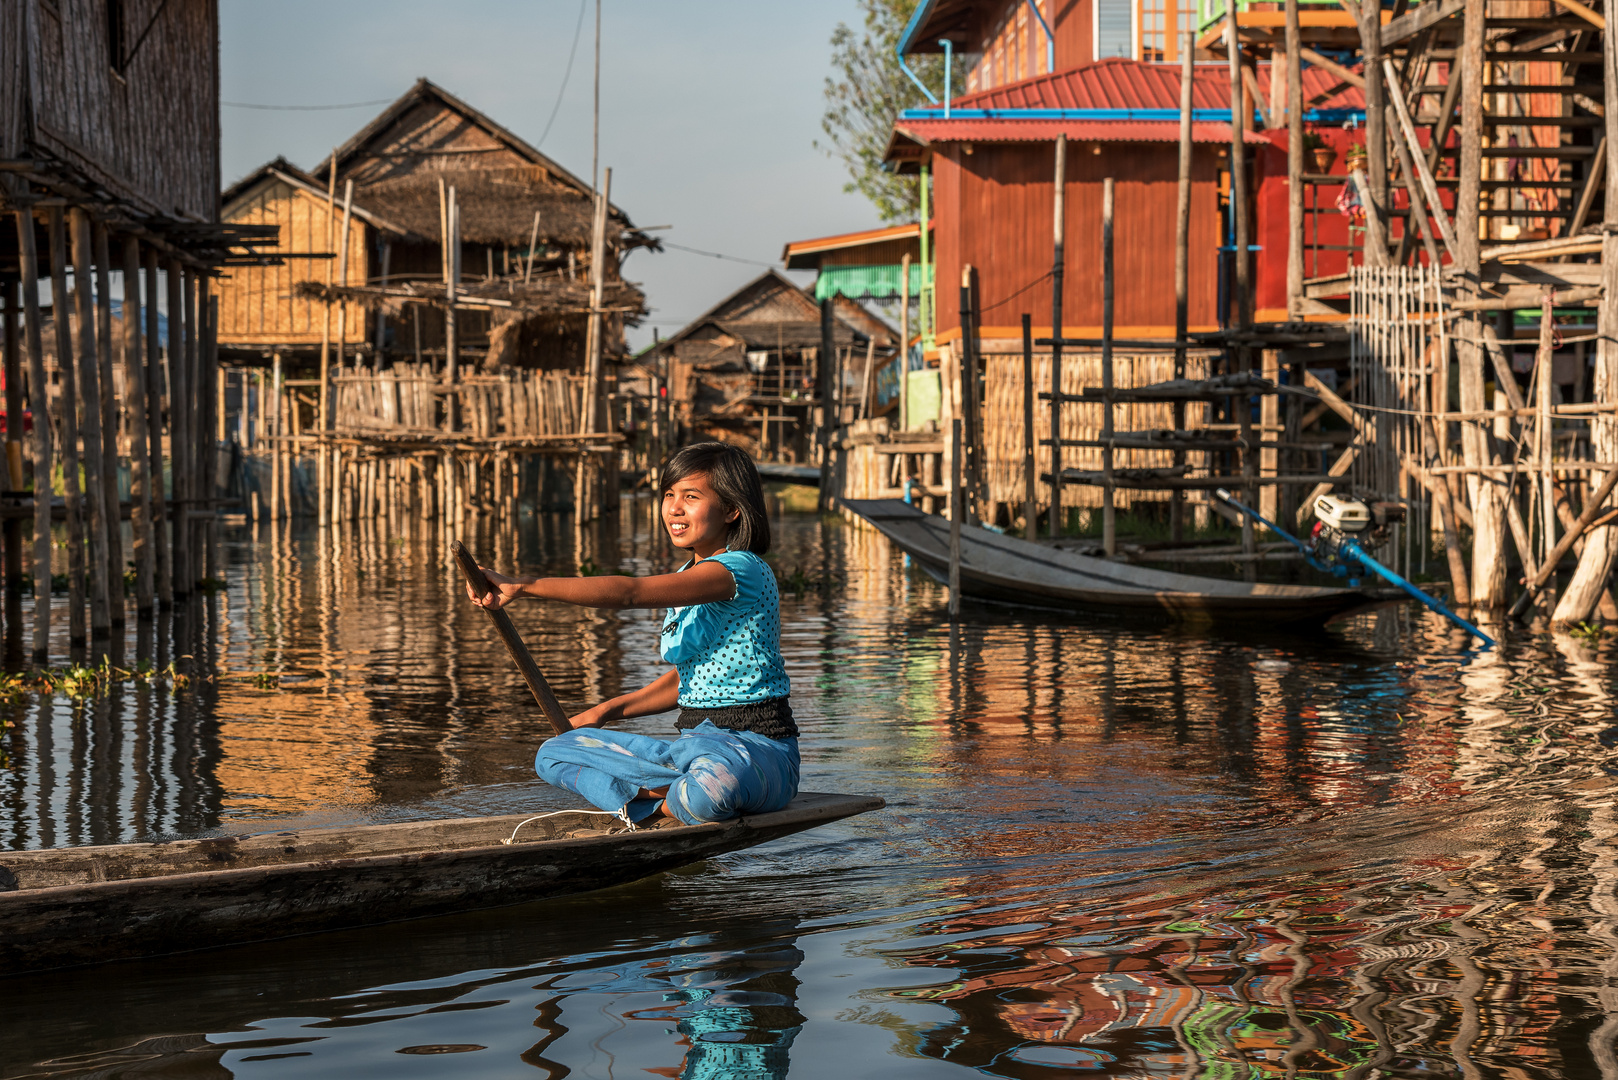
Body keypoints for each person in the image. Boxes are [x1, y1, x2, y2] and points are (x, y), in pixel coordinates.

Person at [467, 442, 797, 829]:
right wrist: (604, 712)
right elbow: (687, 680)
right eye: (669, 494)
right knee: (553, 755)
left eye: (691, 497)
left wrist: (525, 586)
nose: (674, 508)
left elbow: (630, 593)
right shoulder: (684, 578)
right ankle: (671, 796)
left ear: (730, 509)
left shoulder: (741, 570)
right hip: (694, 749)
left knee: (713, 788)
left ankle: (653, 803)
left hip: (758, 751)